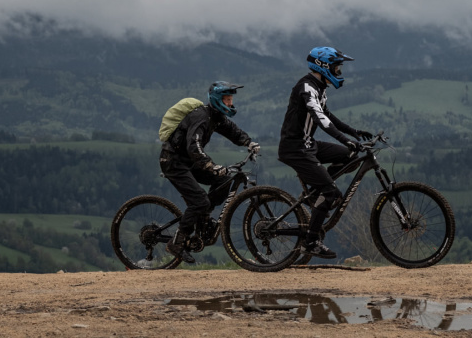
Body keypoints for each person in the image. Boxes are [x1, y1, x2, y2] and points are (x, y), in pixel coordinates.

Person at [278, 46, 374, 259]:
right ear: (323, 66)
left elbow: (327, 114)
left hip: (308, 144)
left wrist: (353, 132)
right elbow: (321, 120)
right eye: (337, 68)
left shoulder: (320, 87)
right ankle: (310, 241)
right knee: (331, 192)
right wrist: (345, 140)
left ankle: (318, 192)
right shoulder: (306, 87)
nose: (339, 72)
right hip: (295, 148)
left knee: (349, 156)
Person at [160, 81, 260, 263]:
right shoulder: (201, 117)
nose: (230, 103)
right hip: (174, 162)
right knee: (199, 201)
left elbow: (232, 130)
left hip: (190, 162)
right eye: (227, 99)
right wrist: (210, 165)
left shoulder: (216, 116)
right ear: (217, 99)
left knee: (225, 180)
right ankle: (176, 242)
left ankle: (203, 218)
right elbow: (194, 146)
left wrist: (249, 142)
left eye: (231, 99)